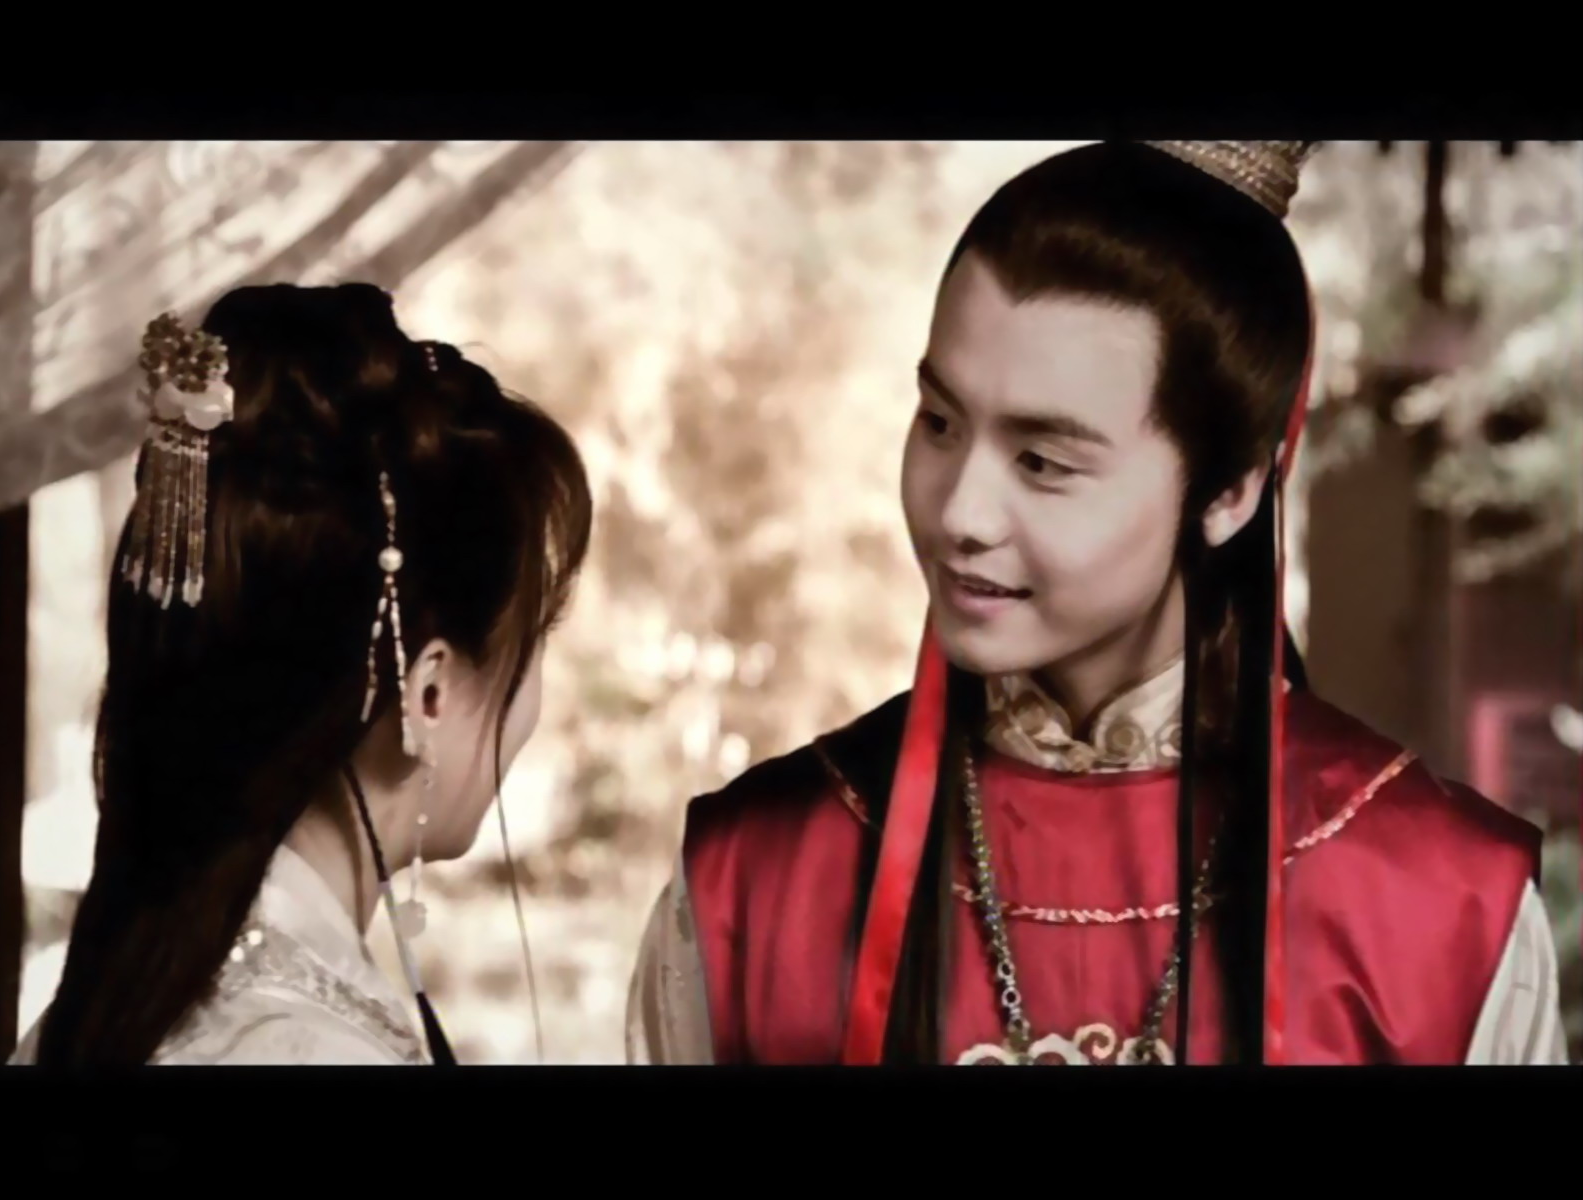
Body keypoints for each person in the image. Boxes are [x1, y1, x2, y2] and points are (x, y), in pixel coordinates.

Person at [626, 142, 1568, 1066]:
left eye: (1043, 462)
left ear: (1230, 491)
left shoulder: (1442, 910)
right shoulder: (756, 879)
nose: (959, 513)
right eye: (940, 422)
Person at [13, 283, 592, 1066]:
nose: (535, 704)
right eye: (536, 637)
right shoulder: (304, 1045)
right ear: (427, 693)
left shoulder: (94, 1016)